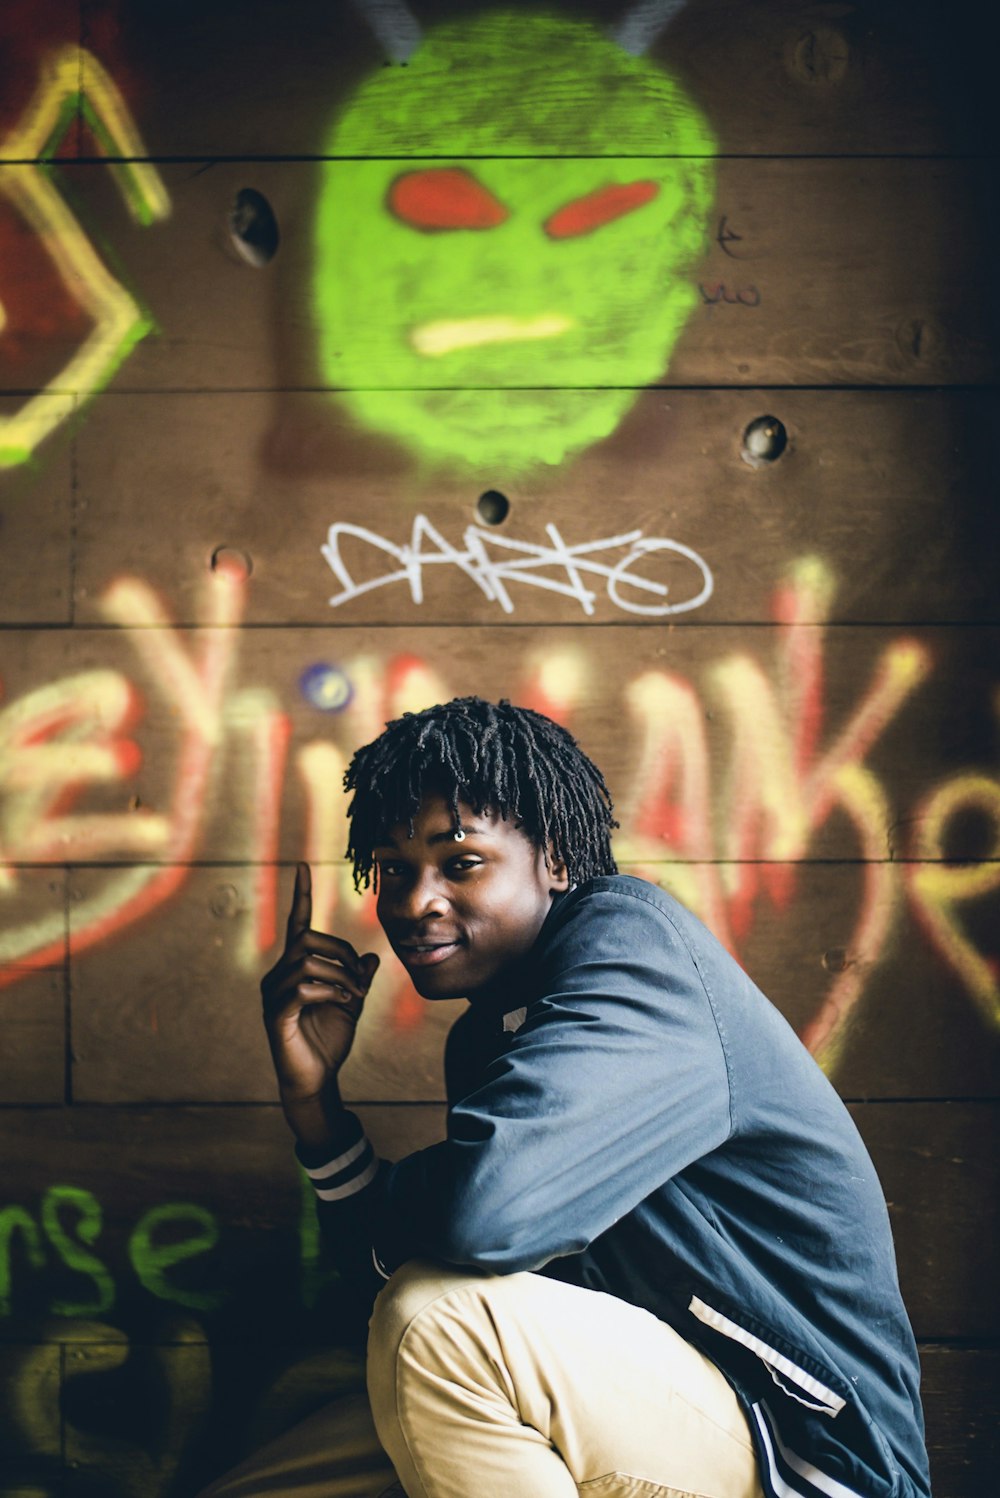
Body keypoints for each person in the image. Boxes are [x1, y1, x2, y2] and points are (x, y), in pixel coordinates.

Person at [200, 697, 930, 1498]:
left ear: (554, 858)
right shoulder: (485, 1039)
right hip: (647, 1409)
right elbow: (422, 1267)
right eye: (394, 870)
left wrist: (442, 1208)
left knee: (435, 1326)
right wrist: (316, 1109)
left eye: (461, 862)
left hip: (803, 1451)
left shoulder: (630, 941)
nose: (414, 902)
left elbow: (482, 1219)